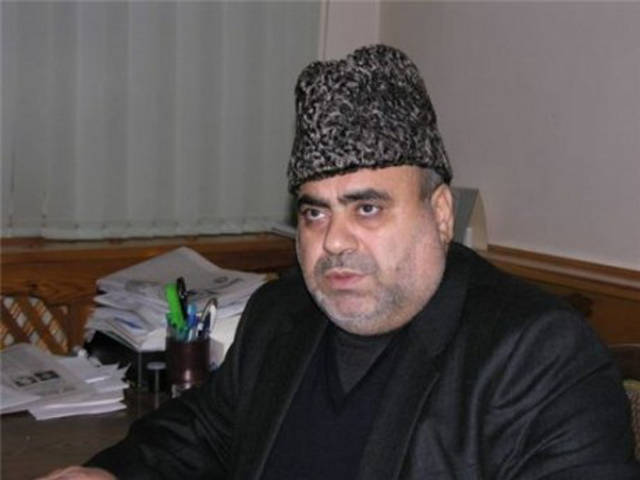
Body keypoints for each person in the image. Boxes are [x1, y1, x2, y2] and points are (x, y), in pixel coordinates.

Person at [39, 45, 638, 480]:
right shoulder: (281, 313)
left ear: (440, 214)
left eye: (367, 208)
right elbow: (205, 432)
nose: (332, 242)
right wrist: (111, 473)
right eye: (314, 213)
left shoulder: (538, 355)